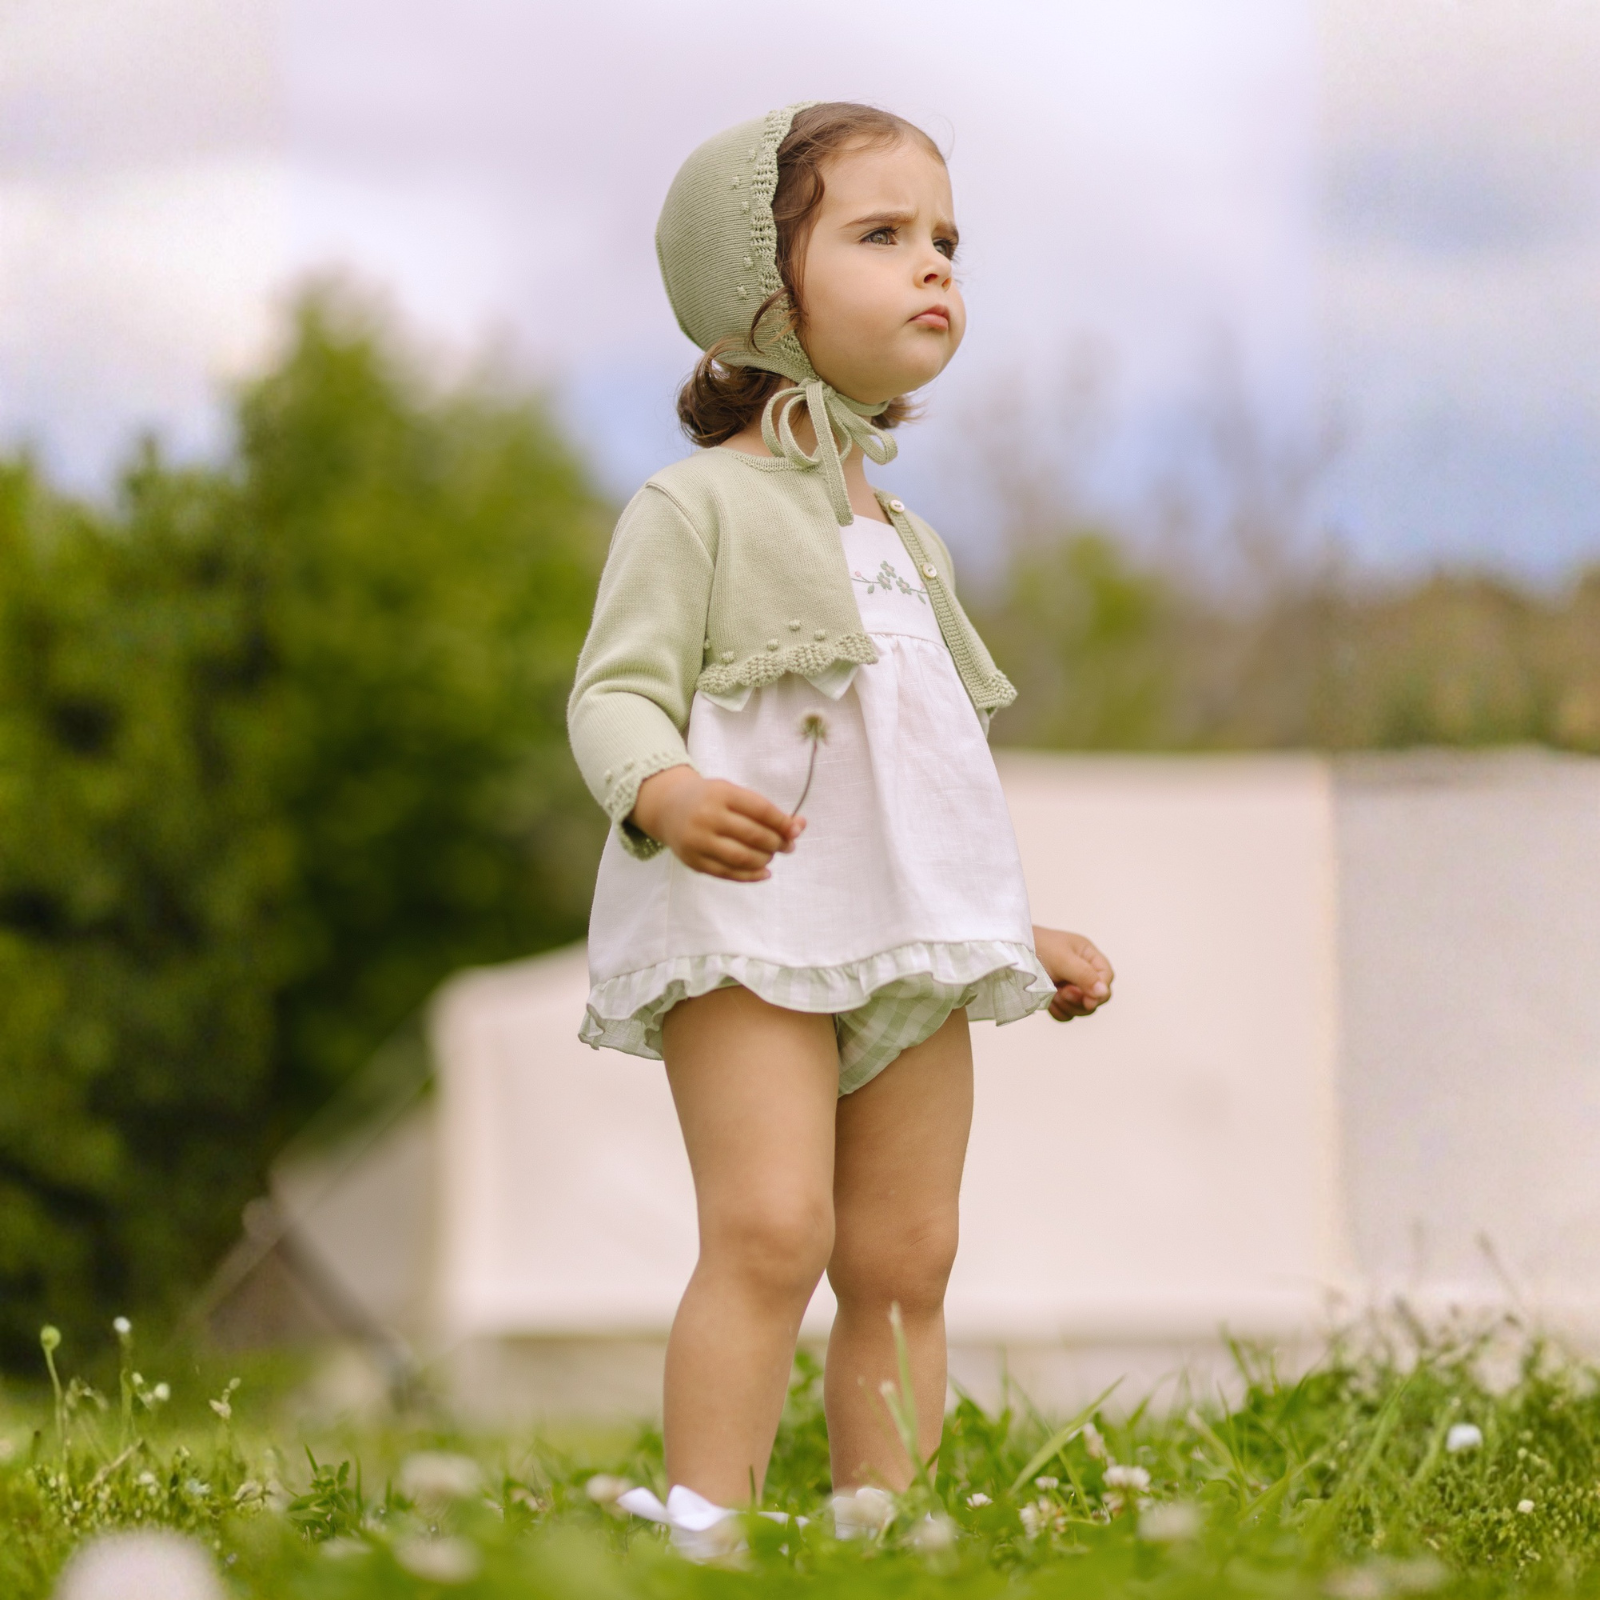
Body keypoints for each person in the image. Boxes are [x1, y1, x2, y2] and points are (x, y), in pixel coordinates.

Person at [567, 101, 1115, 1539]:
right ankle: (708, 1523)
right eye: (882, 235)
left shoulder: (907, 544)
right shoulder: (695, 508)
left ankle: (886, 1526)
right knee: (770, 1231)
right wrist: (666, 790)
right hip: (747, 924)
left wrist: (1007, 926)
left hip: (914, 941)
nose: (934, 265)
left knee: (907, 1248)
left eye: (946, 240)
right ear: (757, 286)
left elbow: (922, 779)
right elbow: (613, 697)